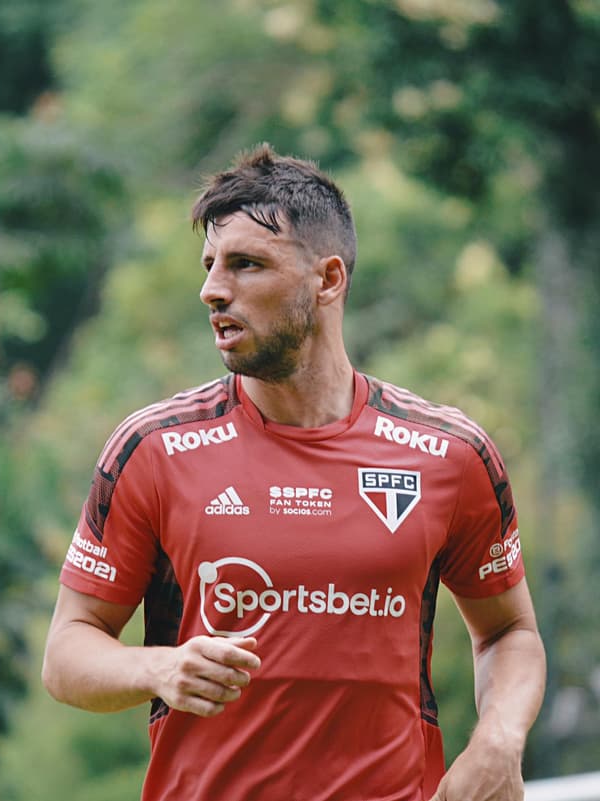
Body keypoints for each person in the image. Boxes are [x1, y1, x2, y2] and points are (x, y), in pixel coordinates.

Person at [42, 143, 546, 801]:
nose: (212, 289)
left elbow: (509, 631)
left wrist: (499, 739)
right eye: (210, 265)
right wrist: (159, 666)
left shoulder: (447, 453)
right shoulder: (154, 449)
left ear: (328, 279)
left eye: (246, 264)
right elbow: (66, 652)